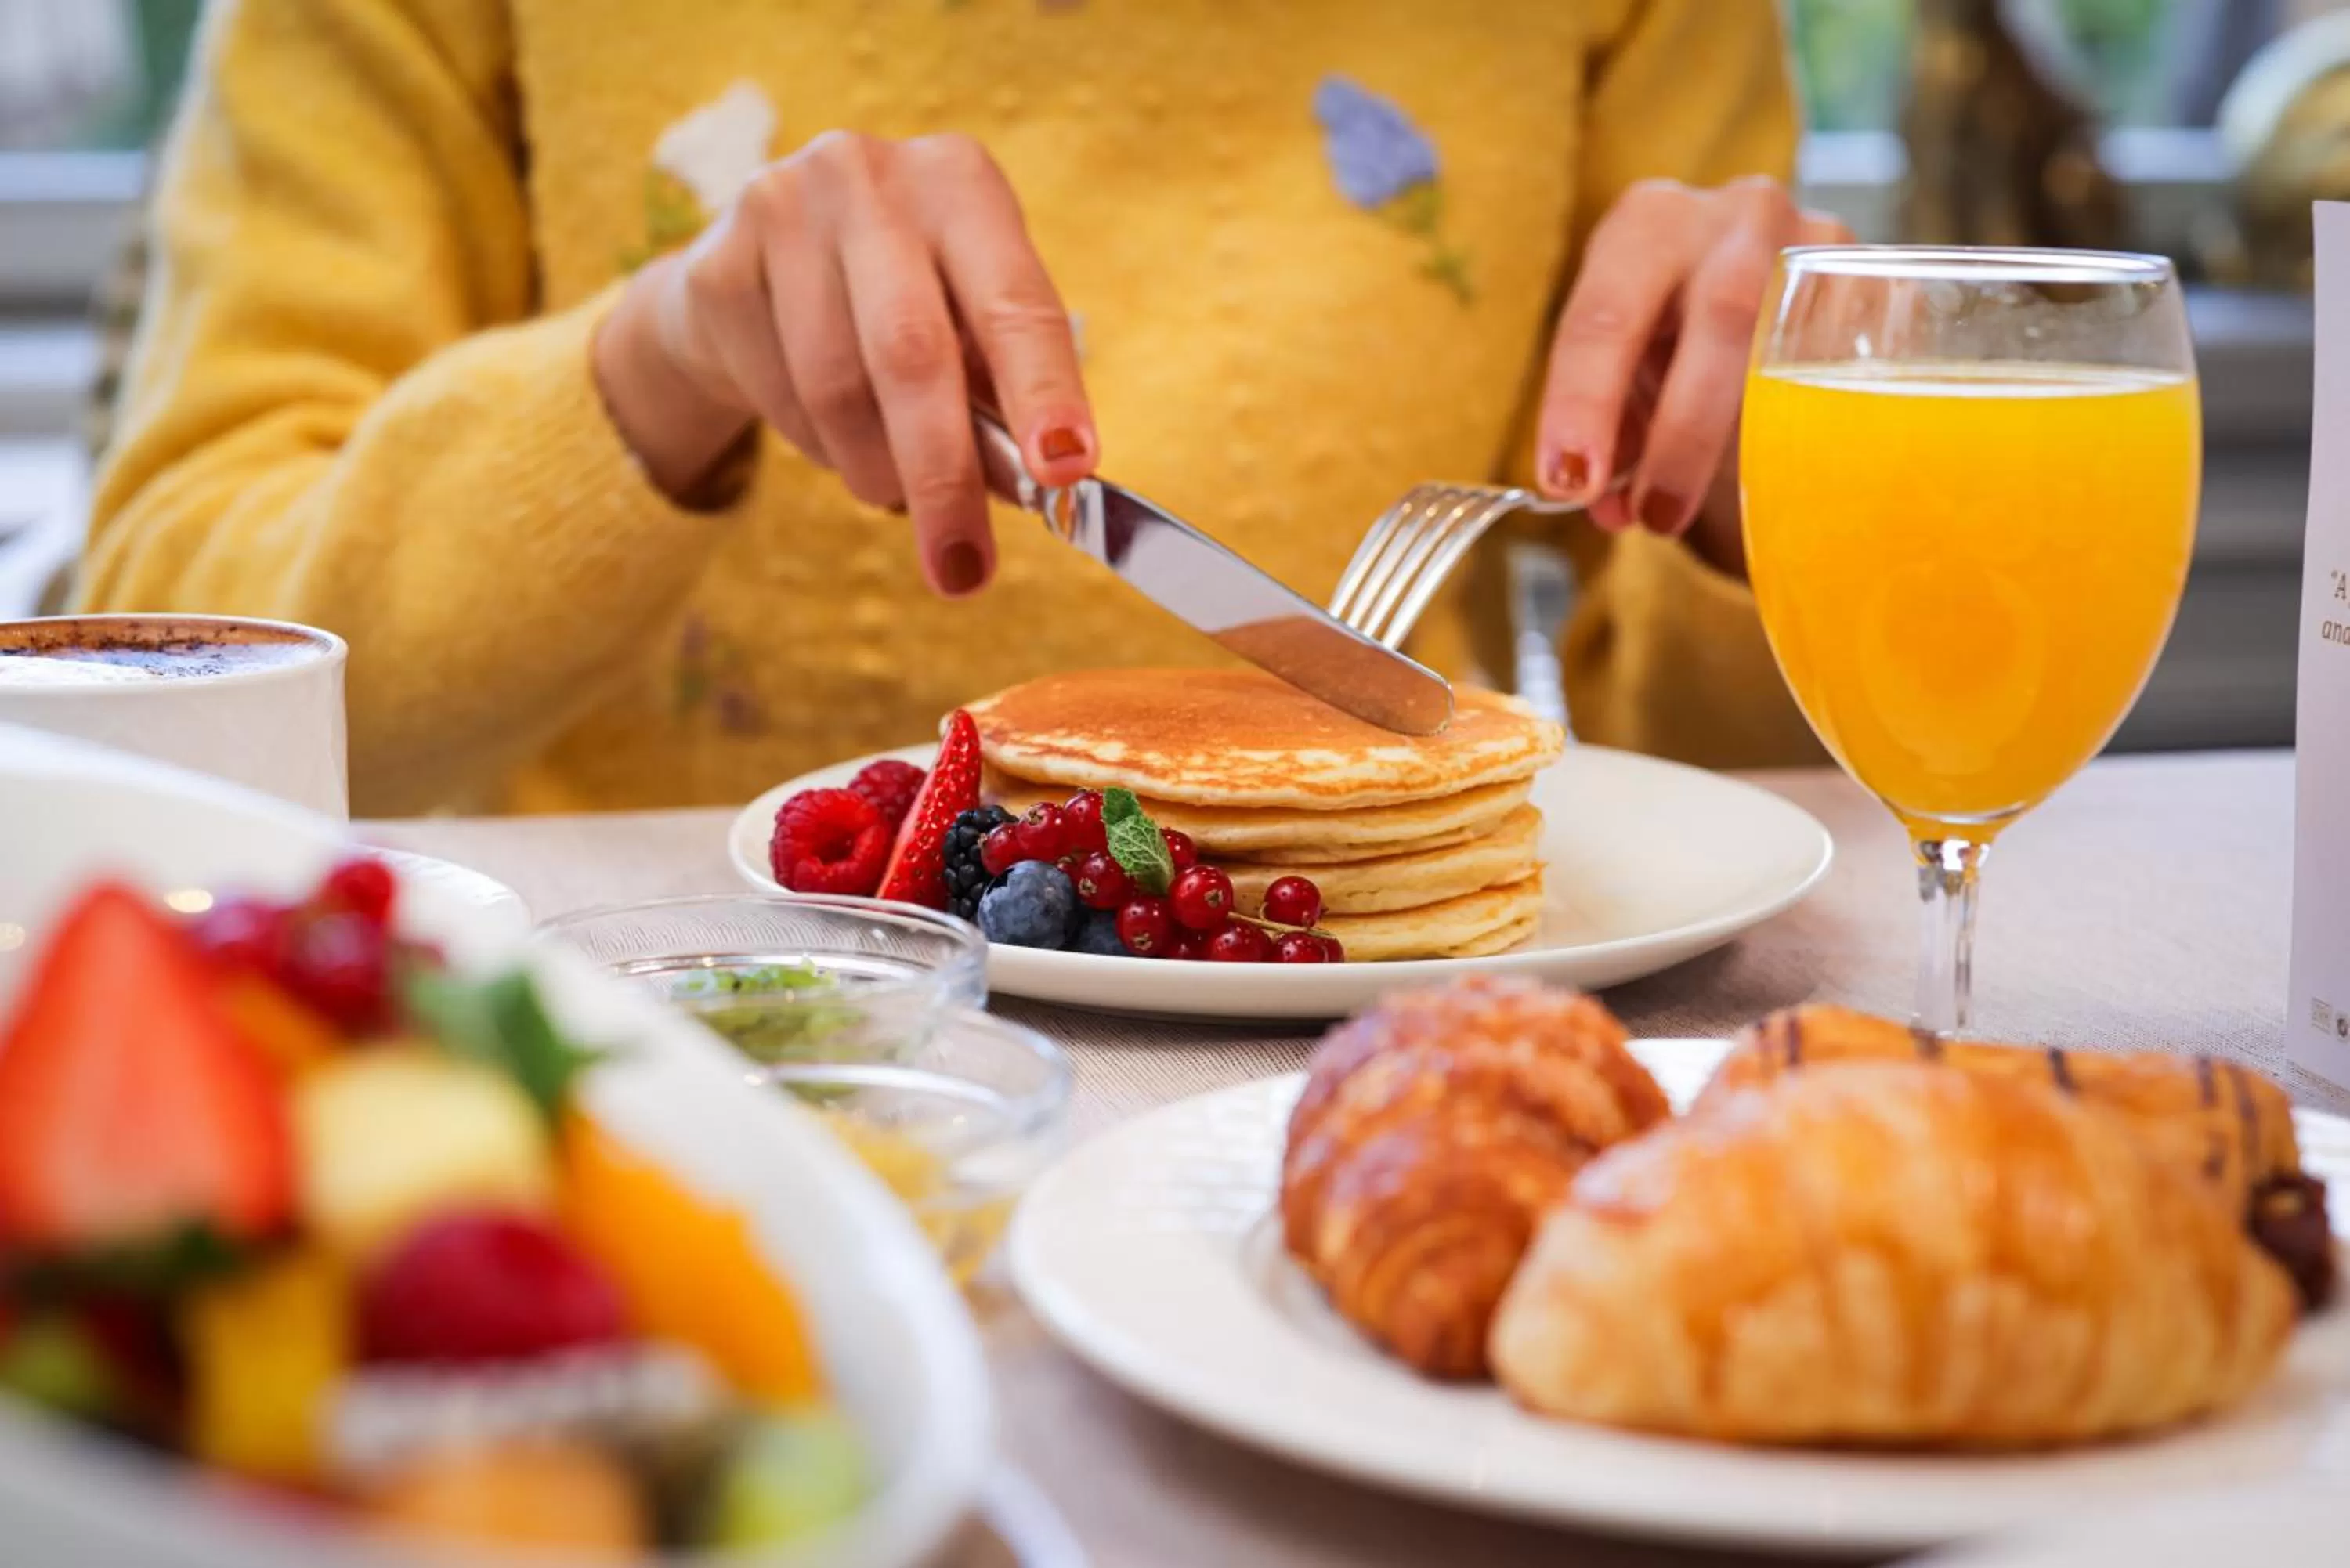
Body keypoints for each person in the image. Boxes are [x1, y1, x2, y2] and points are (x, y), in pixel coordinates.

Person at [80, 0, 1841, 816]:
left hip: (1366, 1053)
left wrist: (1792, 523)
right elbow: (156, 696)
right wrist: (655, 364)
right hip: (644, 1075)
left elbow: (1750, 827)